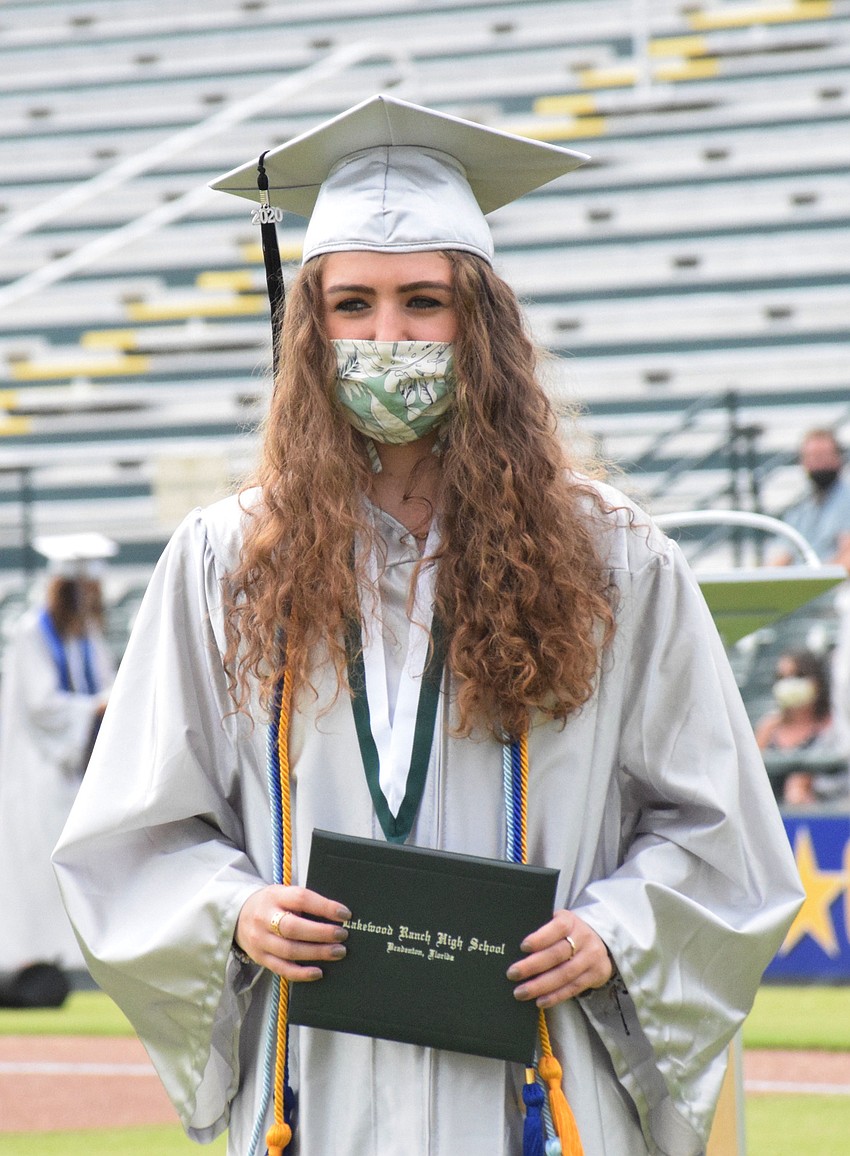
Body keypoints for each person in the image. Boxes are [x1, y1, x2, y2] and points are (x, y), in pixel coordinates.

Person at [54, 95, 803, 1156]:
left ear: (481, 323)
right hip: (317, 1093)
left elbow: (716, 827)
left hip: (539, 1087)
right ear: (309, 327)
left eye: (424, 302)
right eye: (352, 304)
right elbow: (135, 834)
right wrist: (233, 910)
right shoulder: (226, 562)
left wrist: (610, 933)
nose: (387, 338)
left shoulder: (614, 560)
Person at [0, 534, 115, 979]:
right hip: (41, 770)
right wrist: (95, 706)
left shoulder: (86, 634)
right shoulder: (34, 632)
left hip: (79, 766)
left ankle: (80, 959)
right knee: (43, 864)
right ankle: (45, 964)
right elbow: (42, 705)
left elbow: (105, 682)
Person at [755, 649, 847, 804]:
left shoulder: (834, 728)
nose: (788, 683)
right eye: (781, 678)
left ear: (816, 681)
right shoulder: (768, 728)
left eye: (798, 676)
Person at [773, 429, 850, 567]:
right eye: (813, 457)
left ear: (838, 458)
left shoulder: (846, 501)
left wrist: (817, 581)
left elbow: (847, 558)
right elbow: (782, 555)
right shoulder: (801, 508)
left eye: (823, 456)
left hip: (832, 586)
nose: (819, 463)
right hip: (800, 584)